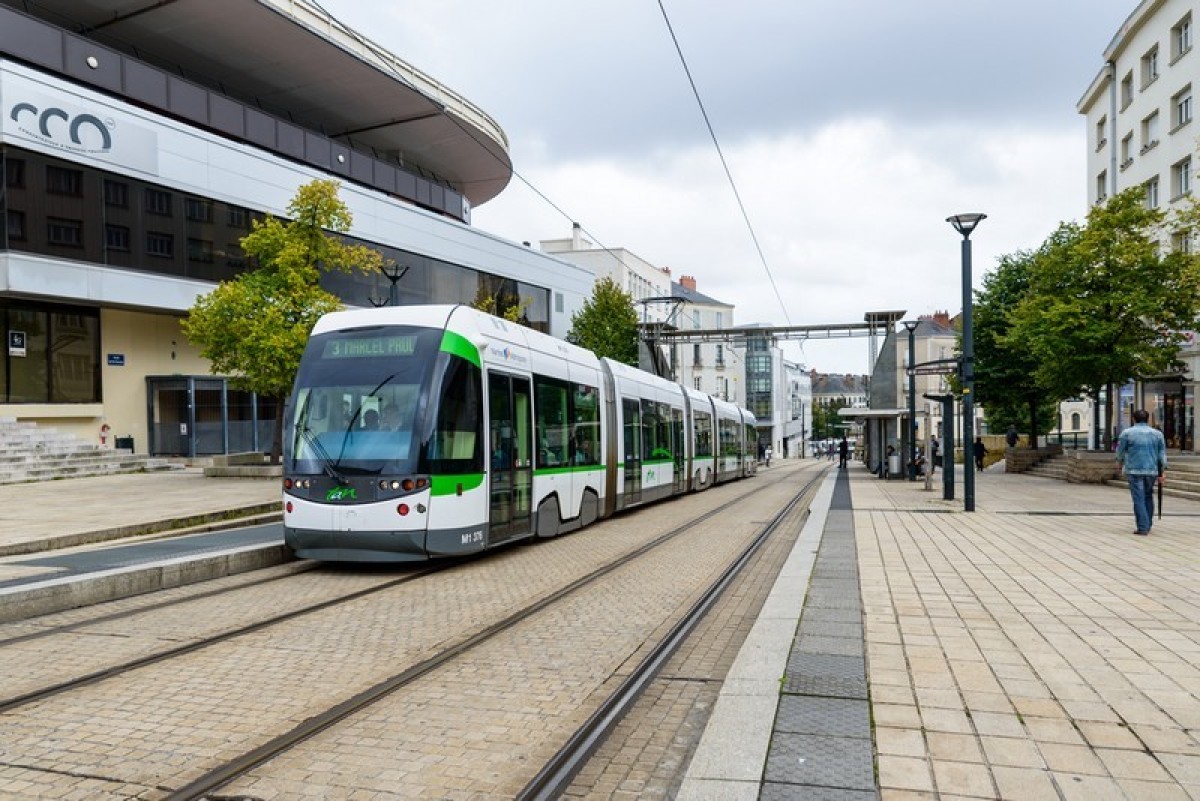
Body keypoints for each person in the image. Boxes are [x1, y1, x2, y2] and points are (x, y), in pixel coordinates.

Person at [1115, 409, 1167, 536]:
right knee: (1148, 496)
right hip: (1152, 469)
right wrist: (1163, 471)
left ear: (1134, 419)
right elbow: (1162, 453)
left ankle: (1143, 526)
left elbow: (1120, 451)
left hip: (1134, 469)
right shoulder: (1157, 434)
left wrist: (1119, 463)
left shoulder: (1127, 433)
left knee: (1138, 498)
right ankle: (1147, 523)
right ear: (1147, 419)